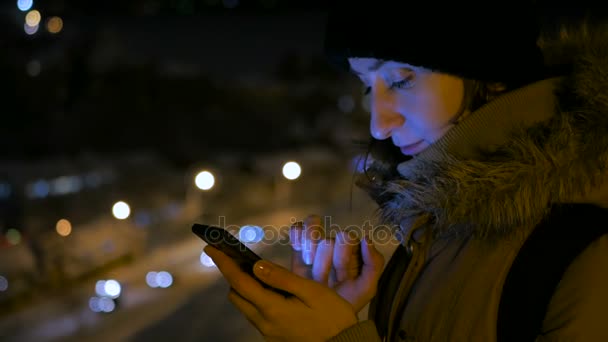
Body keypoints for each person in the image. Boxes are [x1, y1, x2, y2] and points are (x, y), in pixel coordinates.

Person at [204, 3, 608, 341]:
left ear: (492, 72)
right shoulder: (440, 227)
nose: (379, 124)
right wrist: (335, 315)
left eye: (401, 79)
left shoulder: (587, 244)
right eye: (366, 86)